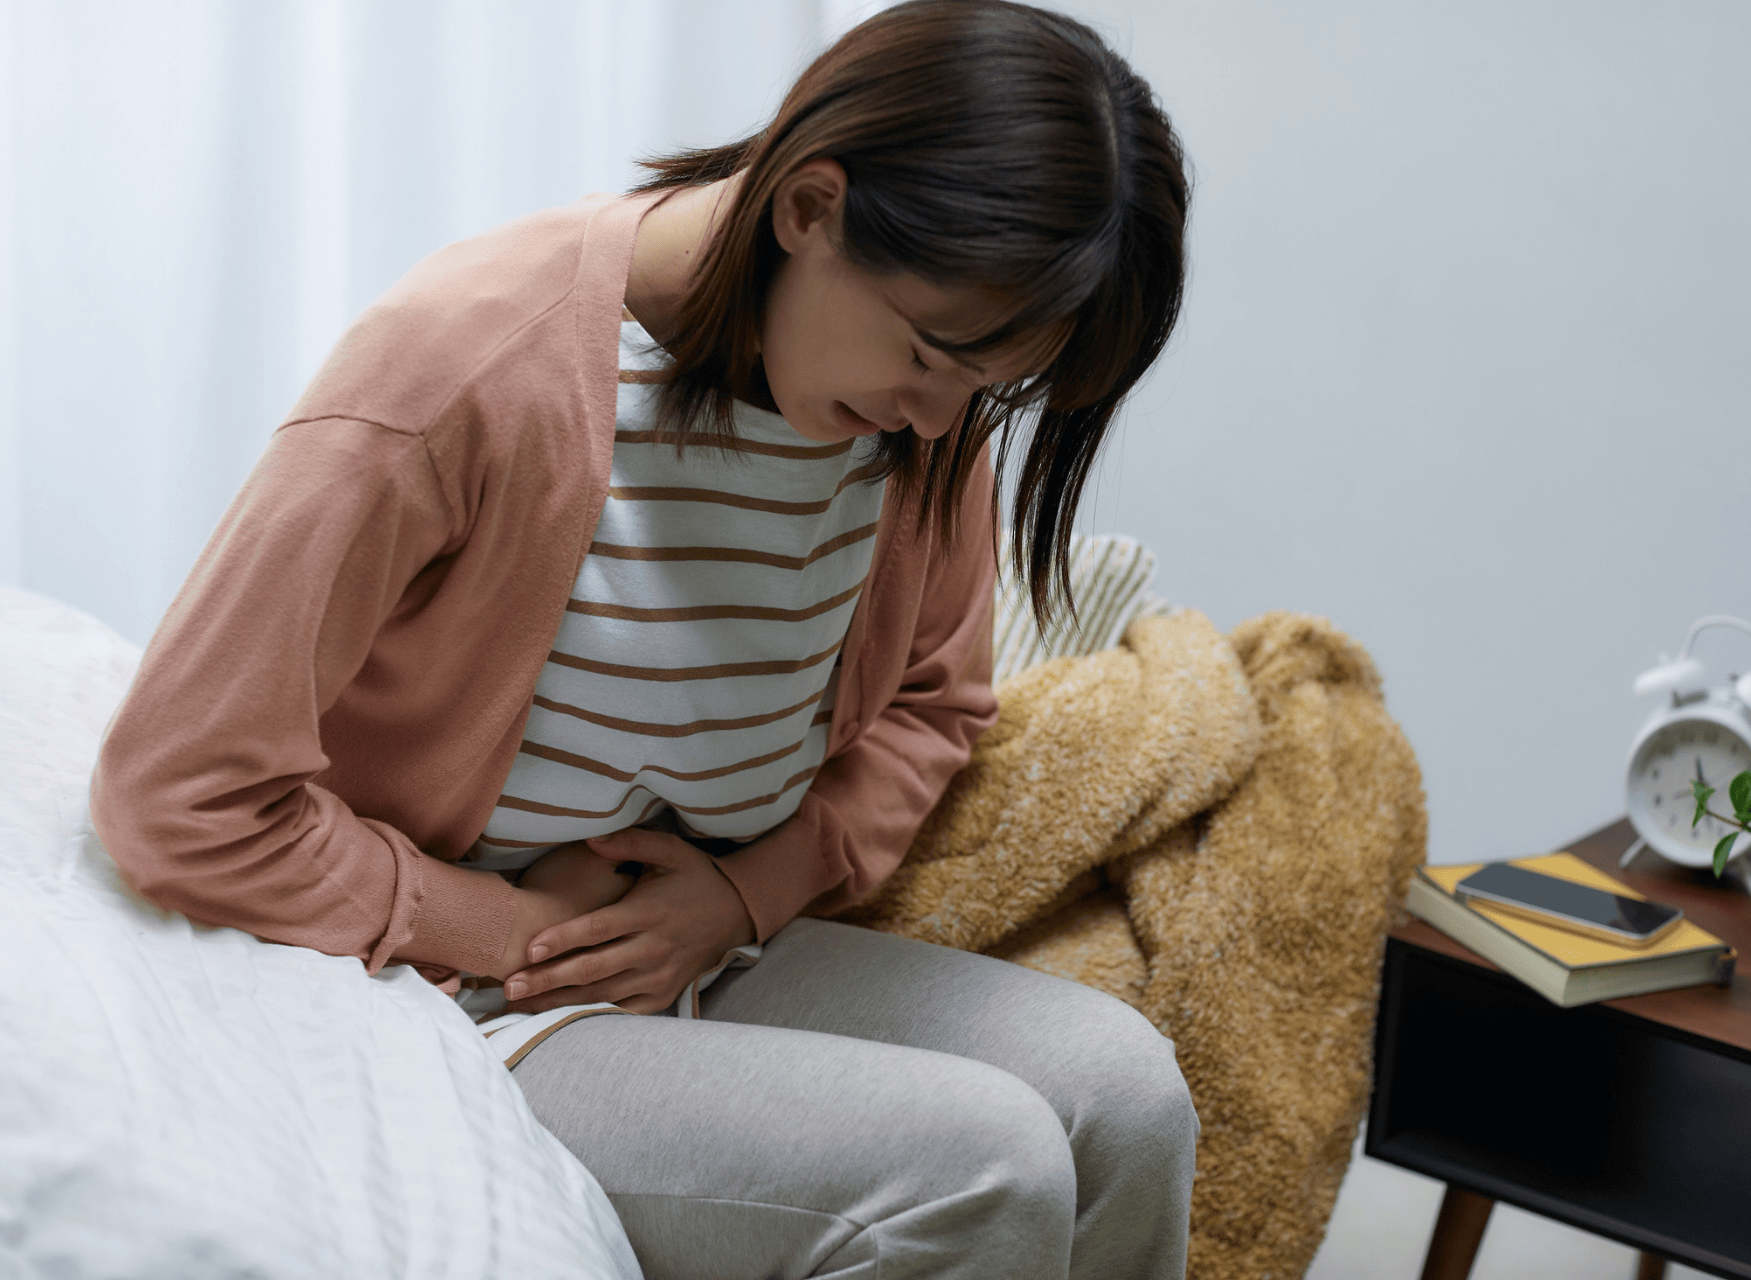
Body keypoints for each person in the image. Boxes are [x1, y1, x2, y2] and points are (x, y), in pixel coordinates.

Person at [90, 2, 1196, 1276]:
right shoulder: (467, 361)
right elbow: (177, 787)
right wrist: (502, 929)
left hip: (698, 942)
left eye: (987, 386)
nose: (946, 424)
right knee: (975, 1165)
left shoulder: (915, 421)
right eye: (931, 353)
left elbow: (936, 706)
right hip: (453, 989)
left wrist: (740, 892)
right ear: (810, 206)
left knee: (1129, 1092)